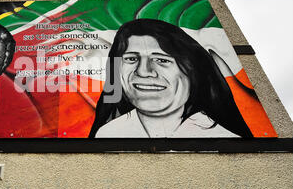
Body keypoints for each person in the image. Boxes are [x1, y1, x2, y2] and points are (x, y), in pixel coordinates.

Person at [89, 19, 252, 138]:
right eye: (131, 59)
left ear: (191, 71)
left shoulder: (223, 138)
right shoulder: (107, 134)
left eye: (161, 60)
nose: (144, 72)